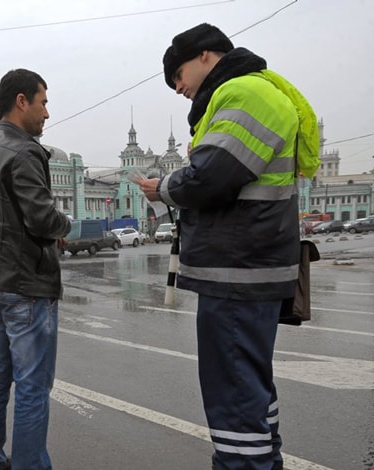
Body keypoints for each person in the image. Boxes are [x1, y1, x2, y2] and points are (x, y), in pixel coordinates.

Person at [136, 24, 319, 470]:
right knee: (249, 388)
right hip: (248, 267)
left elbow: (211, 176)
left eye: (177, 75)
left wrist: (163, 188)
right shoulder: (249, 92)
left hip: (239, 271)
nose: (178, 88)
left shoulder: (244, 94)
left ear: (205, 56)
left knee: (233, 391)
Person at [0, 68, 72, 470]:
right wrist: (64, 228)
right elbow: (42, 219)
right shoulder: (25, 151)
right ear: (22, 101)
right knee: (32, 386)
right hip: (26, 285)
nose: (47, 112)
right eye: (43, 102)